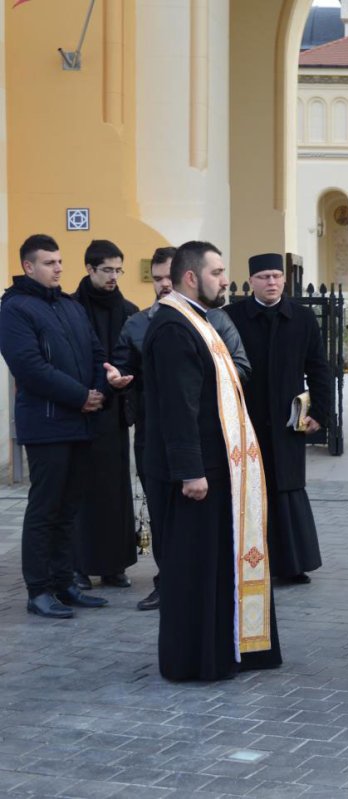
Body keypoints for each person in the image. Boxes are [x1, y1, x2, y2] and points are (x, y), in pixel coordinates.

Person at [140, 241, 281, 681]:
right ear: (190, 277)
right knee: (193, 569)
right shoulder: (173, 327)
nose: (224, 280)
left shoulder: (196, 320)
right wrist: (190, 471)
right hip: (194, 474)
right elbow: (177, 407)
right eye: (217, 272)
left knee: (215, 565)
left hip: (216, 467)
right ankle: (193, 660)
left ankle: (226, 649)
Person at [110, 246, 251, 610]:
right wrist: (119, 378)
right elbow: (138, 373)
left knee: (197, 537)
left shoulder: (211, 320)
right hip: (165, 441)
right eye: (157, 278)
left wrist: (196, 377)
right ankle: (171, 586)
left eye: (167, 277)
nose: (163, 285)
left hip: (203, 442)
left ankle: (192, 595)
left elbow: (238, 369)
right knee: (168, 524)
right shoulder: (156, 324)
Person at [0, 234, 124, 618]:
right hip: (47, 424)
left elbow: (96, 353)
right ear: (28, 266)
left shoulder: (70, 306)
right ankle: (39, 590)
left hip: (80, 423)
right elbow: (30, 367)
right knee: (45, 508)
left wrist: (100, 389)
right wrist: (81, 396)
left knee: (69, 508)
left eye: (59, 262)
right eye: (49, 262)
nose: (57, 268)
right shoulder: (15, 309)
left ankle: (64, 582)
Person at [224, 253, 331, 585]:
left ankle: (291, 564)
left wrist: (320, 413)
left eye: (276, 276)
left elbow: (319, 367)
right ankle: (248, 564)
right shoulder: (231, 317)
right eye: (264, 277)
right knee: (249, 489)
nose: (271, 282)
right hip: (247, 419)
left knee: (287, 488)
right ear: (251, 281)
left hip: (287, 422)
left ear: (284, 280)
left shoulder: (302, 318)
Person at [70, 239, 139, 590]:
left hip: (114, 413)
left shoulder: (128, 310)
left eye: (118, 270)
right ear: (89, 269)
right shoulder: (71, 308)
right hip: (81, 408)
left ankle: (114, 565)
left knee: (114, 490)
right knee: (82, 490)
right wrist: (86, 393)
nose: (113, 276)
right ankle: (79, 566)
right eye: (107, 270)